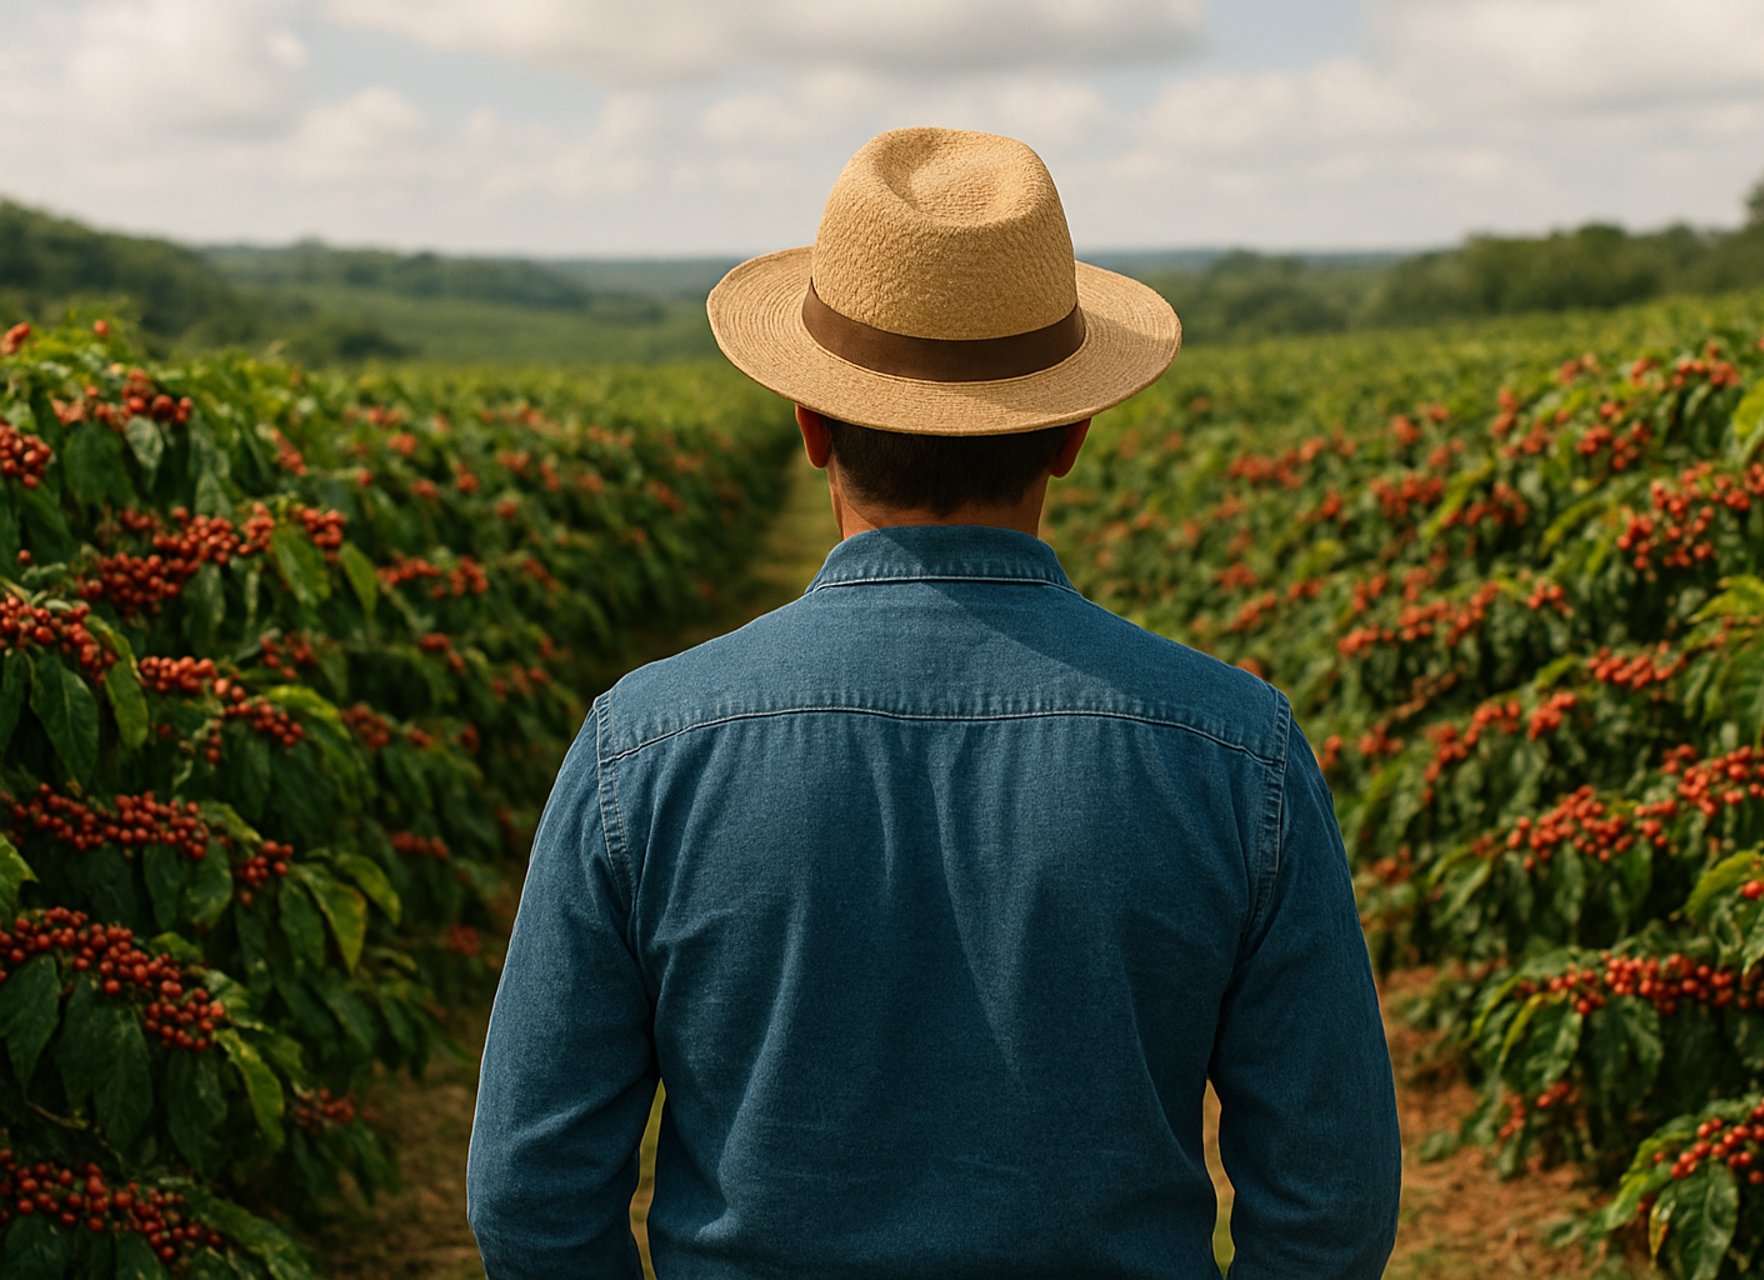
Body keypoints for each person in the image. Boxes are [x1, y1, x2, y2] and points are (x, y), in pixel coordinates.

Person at [466, 125, 1400, 1279]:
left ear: (810, 425)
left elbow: (531, 1192)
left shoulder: (644, 748)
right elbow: (1330, 1198)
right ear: (1071, 433)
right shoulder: (1236, 751)